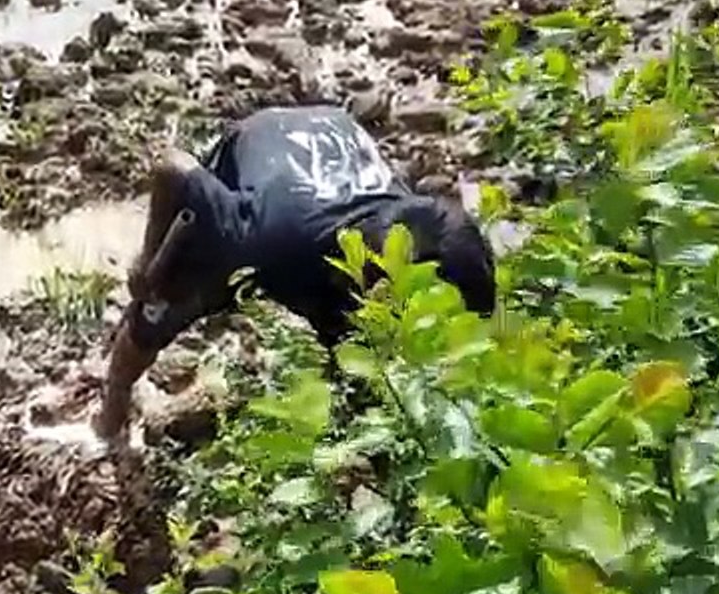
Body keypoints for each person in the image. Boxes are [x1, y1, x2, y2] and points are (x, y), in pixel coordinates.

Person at [95, 105, 497, 439]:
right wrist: (147, 259)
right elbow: (172, 167)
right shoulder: (259, 240)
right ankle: (109, 418)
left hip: (333, 133)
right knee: (166, 295)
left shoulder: (426, 237)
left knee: (353, 341)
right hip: (265, 144)